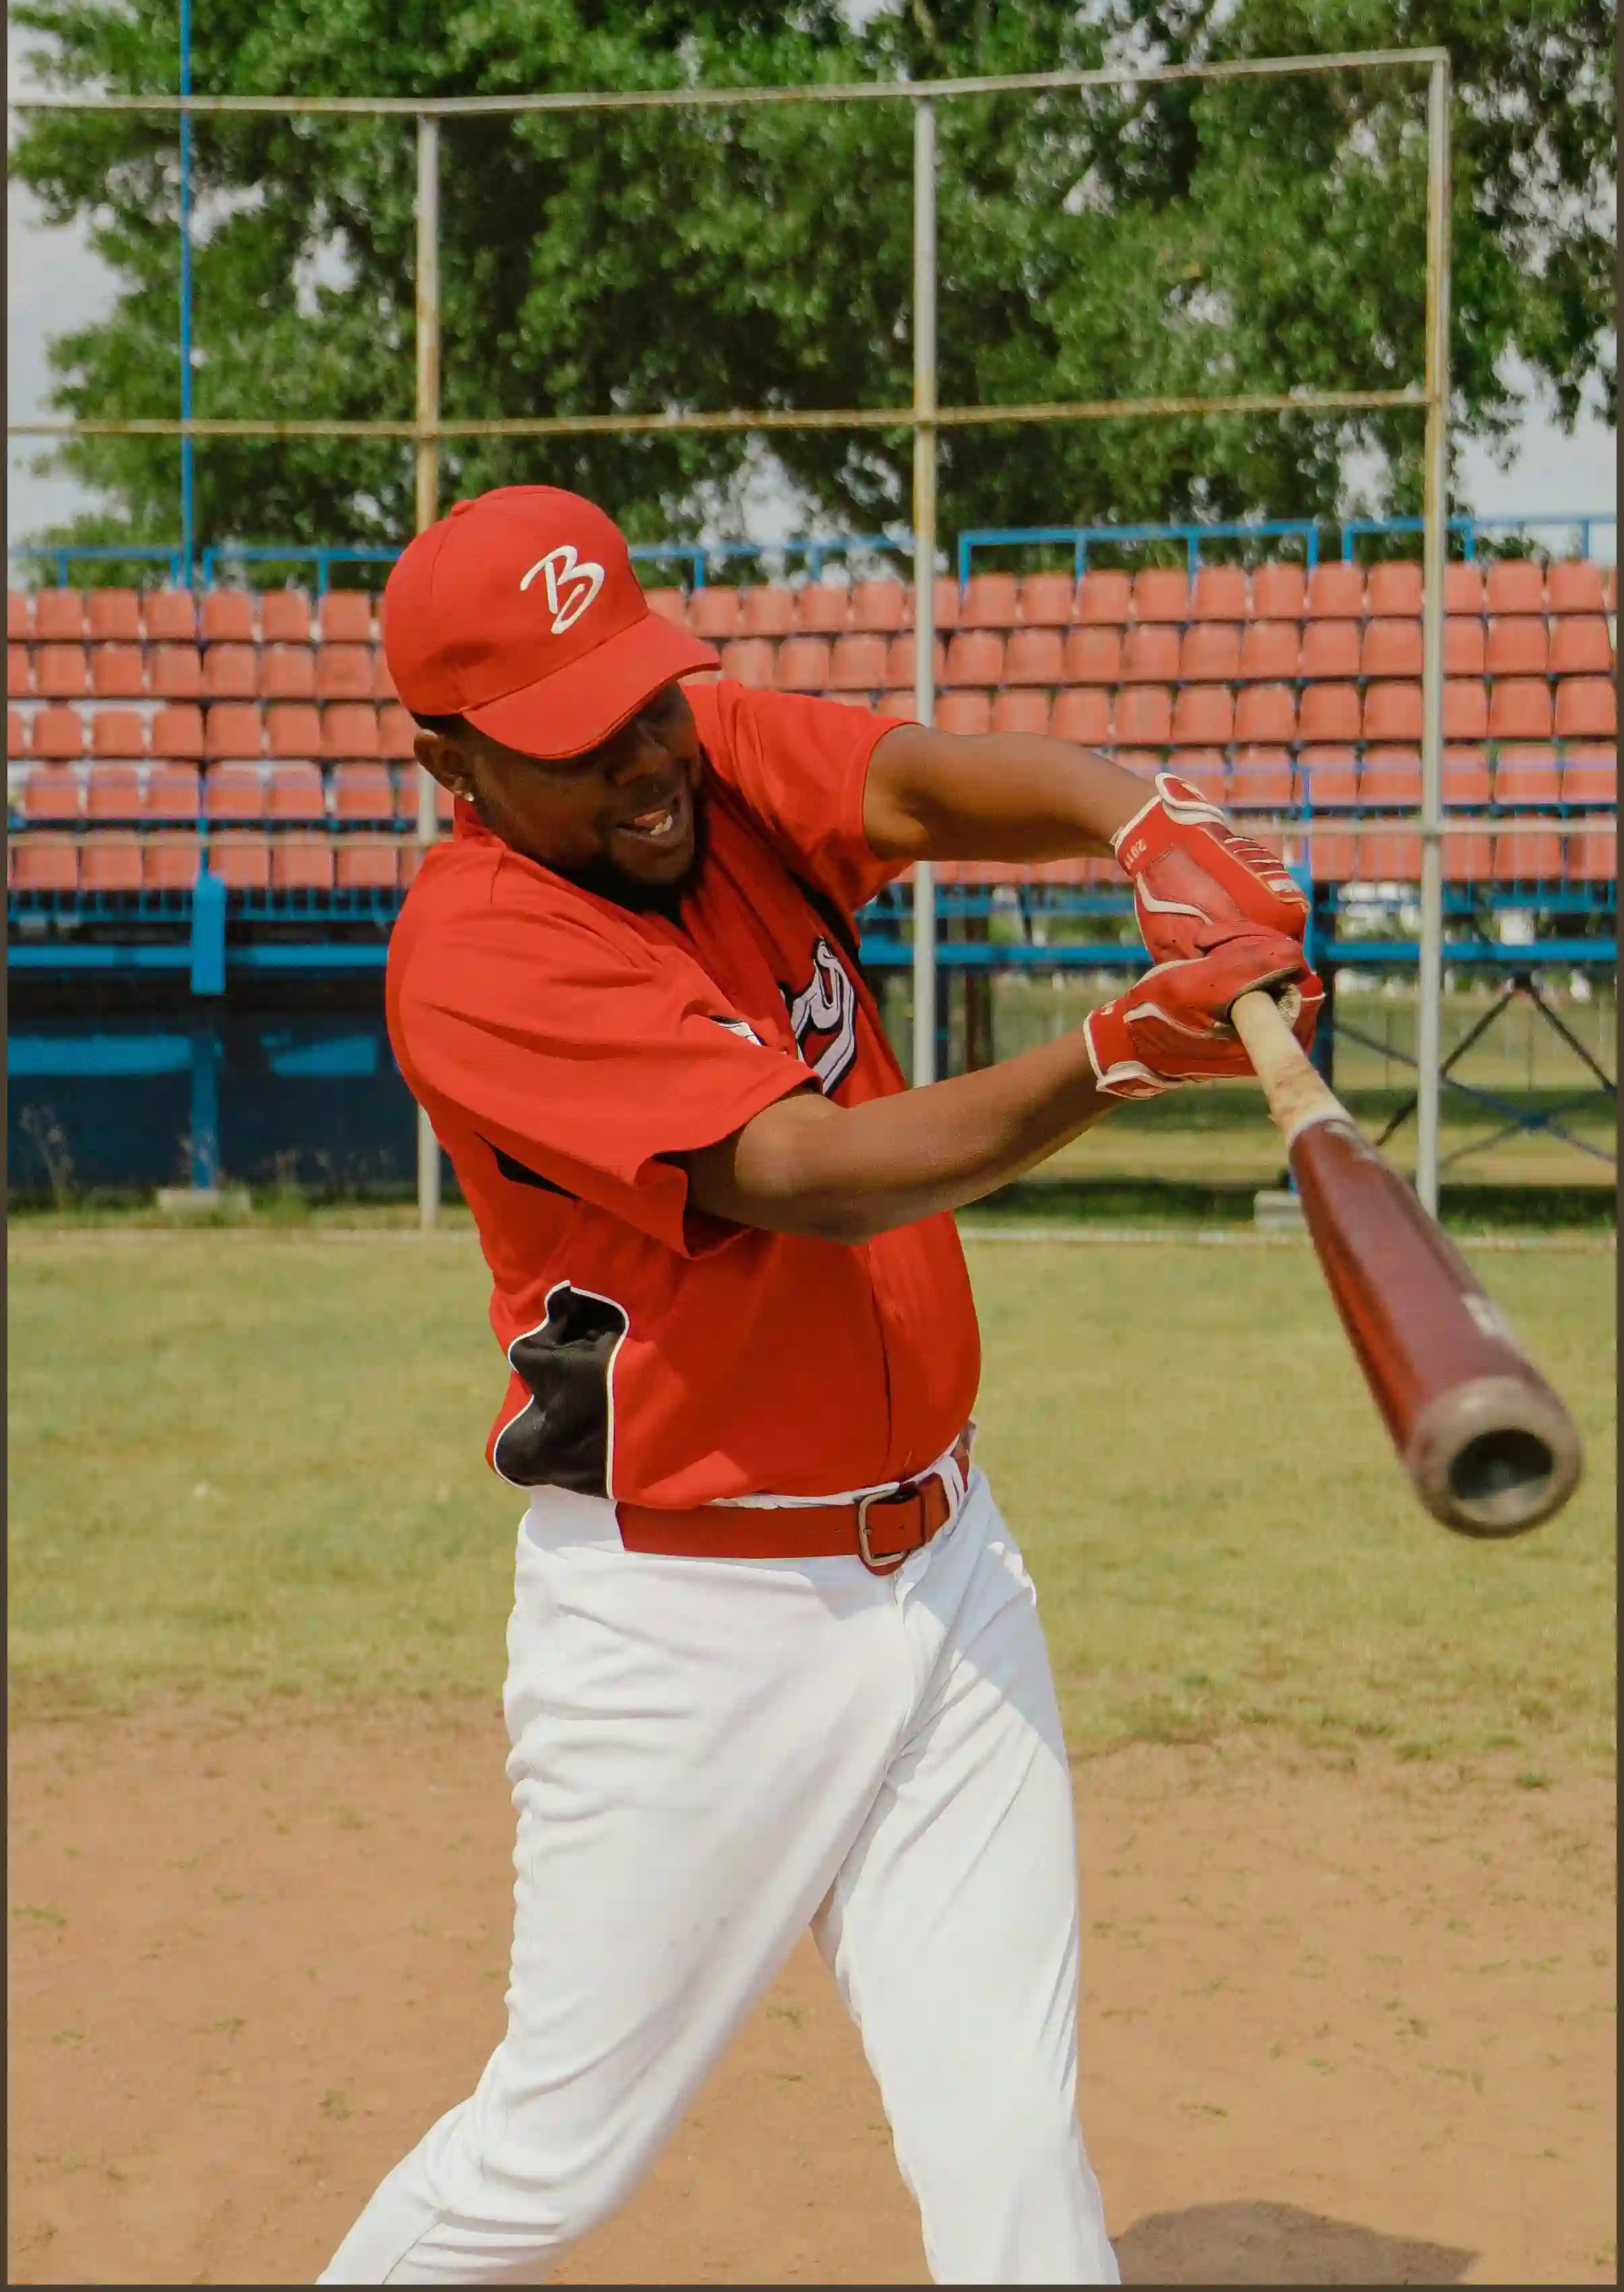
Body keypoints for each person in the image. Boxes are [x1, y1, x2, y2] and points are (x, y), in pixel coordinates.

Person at [320, 484, 1319, 2287]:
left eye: (643, 696)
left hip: (947, 1571)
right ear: (446, 762)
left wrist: (1145, 819)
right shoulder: (475, 953)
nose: (643, 760)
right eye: (573, 739)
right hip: (691, 1631)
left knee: (1007, 2133)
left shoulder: (700, 763)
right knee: (551, 2156)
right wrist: (1109, 1055)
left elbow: (912, 785)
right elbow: (797, 1172)